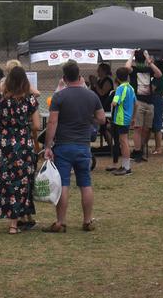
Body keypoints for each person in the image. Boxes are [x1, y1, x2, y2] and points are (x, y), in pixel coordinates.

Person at [43, 60, 106, 233]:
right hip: (83, 146)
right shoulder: (91, 96)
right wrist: (88, 118)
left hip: (63, 146)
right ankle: (87, 220)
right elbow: (102, 119)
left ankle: (61, 222)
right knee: (85, 183)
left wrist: (48, 145)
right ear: (80, 76)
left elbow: (52, 122)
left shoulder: (59, 97)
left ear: (64, 78)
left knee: (63, 184)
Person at [0, 65, 40, 234]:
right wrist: (23, 125)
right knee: (19, 184)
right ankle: (13, 225)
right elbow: (37, 125)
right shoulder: (29, 100)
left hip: (2, 145)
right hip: (23, 146)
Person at [128, 49, 162, 162]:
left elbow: (159, 74)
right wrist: (131, 55)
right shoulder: (134, 70)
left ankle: (140, 150)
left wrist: (150, 62)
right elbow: (127, 68)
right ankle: (137, 152)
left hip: (149, 102)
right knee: (138, 128)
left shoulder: (149, 69)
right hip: (138, 102)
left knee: (146, 129)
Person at [106, 67, 135, 176]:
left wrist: (112, 104)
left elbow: (115, 102)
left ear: (117, 77)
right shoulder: (130, 88)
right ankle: (124, 165)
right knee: (123, 142)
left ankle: (127, 168)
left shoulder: (120, 88)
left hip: (121, 118)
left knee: (123, 142)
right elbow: (135, 103)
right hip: (127, 117)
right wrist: (133, 117)